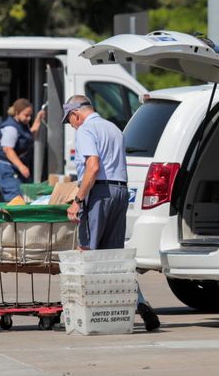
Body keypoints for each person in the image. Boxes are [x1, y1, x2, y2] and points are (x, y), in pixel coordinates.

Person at [62, 94, 160, 331]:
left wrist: (77, 200)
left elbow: (93, 166)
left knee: (88, 252)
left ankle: (87, 313)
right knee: (114, 257)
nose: (72, 125)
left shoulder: (86, 130)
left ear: (76, 114)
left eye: (70, 121)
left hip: (99, 193)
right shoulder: (114, 128)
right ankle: (140, 302)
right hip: (120, 191)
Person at [0, 98, 45, 202]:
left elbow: (31, 134)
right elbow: (8, 149)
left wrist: (38, 118)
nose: (29, 118)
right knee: (15, 197)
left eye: (30, 115)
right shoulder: (10, 128)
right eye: (26, 115)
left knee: (27, 195)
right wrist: (21, 167)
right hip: (5, 167)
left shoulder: (22, 125)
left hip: (14, 167)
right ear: (17, 113)